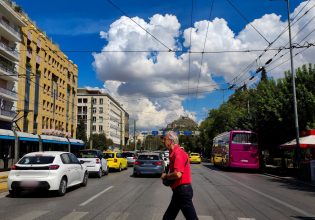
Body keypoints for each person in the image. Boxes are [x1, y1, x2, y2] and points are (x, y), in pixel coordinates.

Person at [161, 131, 198, 220]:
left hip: (183, 192)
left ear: (171, 141)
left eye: (165, 139)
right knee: (167, 218)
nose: (163, 141)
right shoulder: (173, 153)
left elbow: (178, 174)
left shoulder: (178, 153)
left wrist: (166, 176)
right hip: (178, 191)